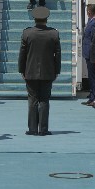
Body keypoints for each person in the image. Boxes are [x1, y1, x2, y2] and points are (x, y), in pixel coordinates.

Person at [19, 7, 61, 135]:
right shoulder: (54, 34)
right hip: (48, 72)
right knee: (44, 100)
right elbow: (58, 55)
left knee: (32, 100)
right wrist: (57, 70)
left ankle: (32, 129)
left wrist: (22, 70)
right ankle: (43, 129)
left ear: (34, 19)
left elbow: (22, 54)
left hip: (30, 71)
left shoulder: (27, 33)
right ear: (46, 19)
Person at [82, 4, 95, 106]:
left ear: (89, 11)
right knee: (91, 75)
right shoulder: (90, 21)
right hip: (88, 52)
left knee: (93, 76)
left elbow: (94, 39)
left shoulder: (93, 23)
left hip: (91, 53)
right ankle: (92, 95)